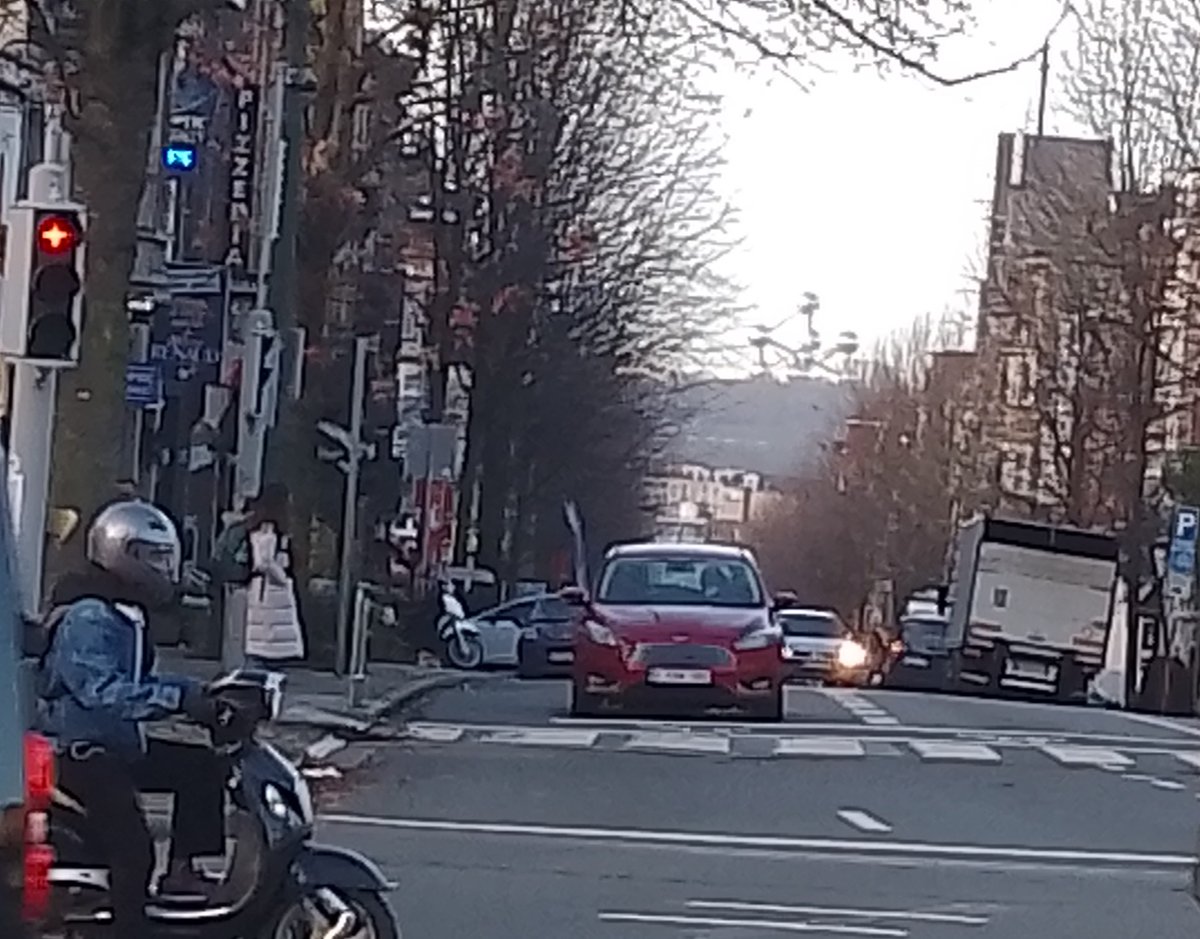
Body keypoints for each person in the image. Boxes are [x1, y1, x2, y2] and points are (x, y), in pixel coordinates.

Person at [35, 500, 229, 935]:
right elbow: (102, 692)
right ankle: (130, 929)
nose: (162, 569)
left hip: (117, 743)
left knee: (199, 766)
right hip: (79, 752)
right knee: (133, 848)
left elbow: (138, 680)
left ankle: (183, 872)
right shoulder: (89, 614)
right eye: (153, 557)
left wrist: (205, 693)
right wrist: (179, 699)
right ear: (123, 554)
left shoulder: (123, 611)